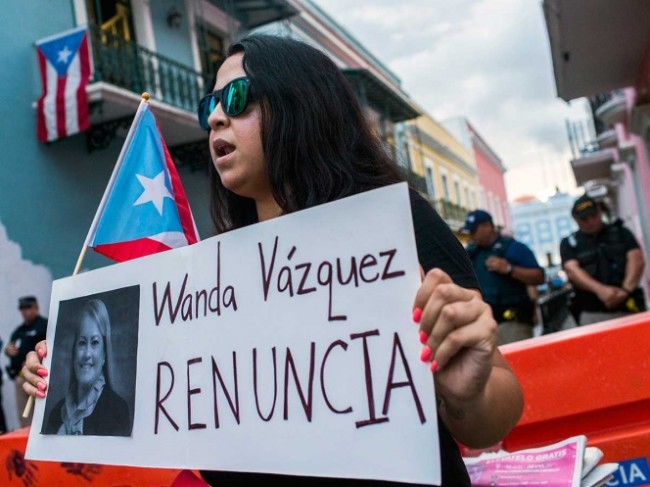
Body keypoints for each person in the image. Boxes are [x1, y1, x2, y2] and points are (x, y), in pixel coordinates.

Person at [22, 34, 523, 485]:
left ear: (299, 105)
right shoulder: (208, 283)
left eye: (236, 99)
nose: (217, 116)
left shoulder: (393, 225)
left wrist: (465, 392)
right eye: (210, 107)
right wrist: (55, 377)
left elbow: (493, 413)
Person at [42, 298, 131, 436]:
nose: (87, 354)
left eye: (95, 343)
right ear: (74, 350)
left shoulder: (118, 411)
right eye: (82, 343)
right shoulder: (56, 413)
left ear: (104, 354)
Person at [560, 194, 647, 326]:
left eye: (593, 216)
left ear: (599, 212)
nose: (591, 221)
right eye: (584, 219)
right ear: (576, 220)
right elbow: (572, 270)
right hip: (592, 312)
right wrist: (601, 290)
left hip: (628, 306)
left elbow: (636, 259)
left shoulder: (621, 232)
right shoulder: (570, 243)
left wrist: (625, 291)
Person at [462, 210, 545, 345]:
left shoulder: (512, 247)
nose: (471, 235)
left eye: (474, 230)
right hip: (482, 324)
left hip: (511, 321)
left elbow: (539, 277)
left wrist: (509, 269)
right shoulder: (472, 253)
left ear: (487, 226)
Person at [4, 296, 48, 428]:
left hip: (40, 378)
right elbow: (11, 345)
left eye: (28, 307)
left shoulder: (43, 325)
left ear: (36, 307)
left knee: (42, 418)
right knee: (25, 420)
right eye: (22, 308)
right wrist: (8, 350)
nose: (24, 311)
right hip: (20, 377)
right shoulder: (19, 330)